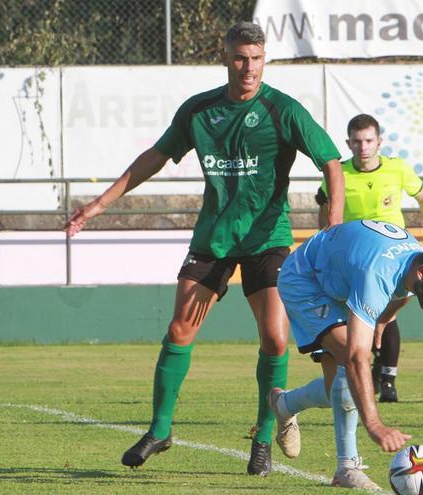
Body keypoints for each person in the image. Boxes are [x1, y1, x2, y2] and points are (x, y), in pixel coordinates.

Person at [63, 21, 345, 477]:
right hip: (213, 239)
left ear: (264, 59)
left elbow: (331, 162)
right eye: (239, 57)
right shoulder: (199, 111)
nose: (248, 67)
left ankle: (263, 438)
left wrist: (332, 223)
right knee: (179, 330)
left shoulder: (284, 110)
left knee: (274, 338)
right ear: (226, 56)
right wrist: (98, 204)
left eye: (255, 59)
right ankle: (159, 430)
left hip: (267, 241)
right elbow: (153, 158)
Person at [267, 220, 423, 489]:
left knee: (336, 392)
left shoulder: (415, 264)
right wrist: (374, 424)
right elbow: (355, 359)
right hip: (306, 279)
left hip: (339, 281)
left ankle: (284, 404)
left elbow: (406, 290)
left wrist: (383, 320)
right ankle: (347, 468)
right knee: (349, 363)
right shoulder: (378, 274)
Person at [315, 113, 423, 402]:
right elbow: (325, 205)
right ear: (348, 143)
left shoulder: (397, 169)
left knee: (388, 316)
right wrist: (324, 240)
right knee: (356, 315)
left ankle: (388, 379)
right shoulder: (338, 173)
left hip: (392, 256)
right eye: (357, 141)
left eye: (368, 140)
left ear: (379, 142)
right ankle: (356, 376)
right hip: (354, 258)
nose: (363, 147)